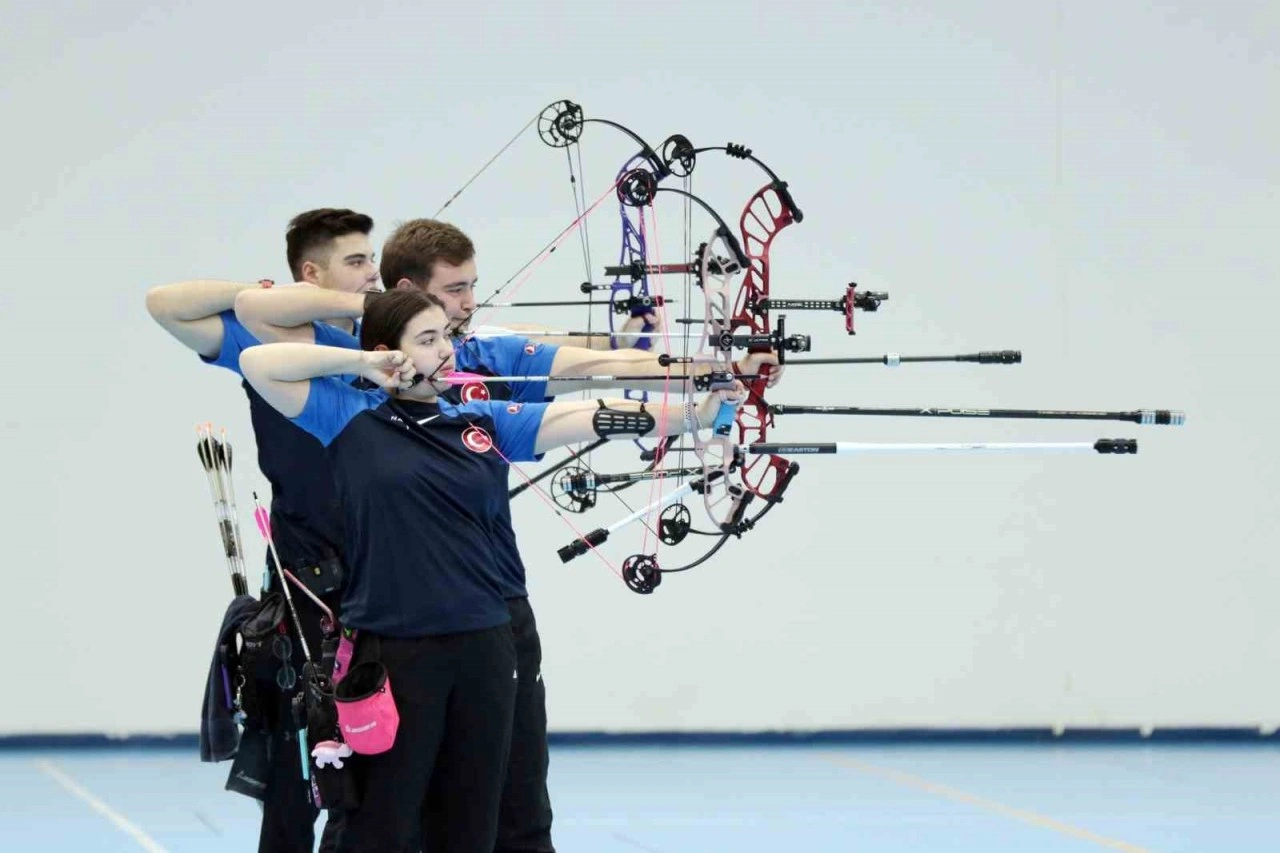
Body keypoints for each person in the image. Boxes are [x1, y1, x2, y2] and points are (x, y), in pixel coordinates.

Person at [233, 217, 785, 853]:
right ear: (391, 352)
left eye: (446, 337)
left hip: (485, 647)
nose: (446, 351)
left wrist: (702, 405)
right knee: (380, 825)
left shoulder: (483, 419)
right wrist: (364, 361)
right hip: (394, 650)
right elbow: (257, 361)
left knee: (472, 825)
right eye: (427, 339)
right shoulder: (349, 418)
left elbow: (588, 413)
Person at [144, 208, 381, 853]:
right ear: (312, 273)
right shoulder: (269, 339)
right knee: (293, 770)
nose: (372, 273)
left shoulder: (388, 345)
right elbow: (164, 304)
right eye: (356, 262)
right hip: (306, 583)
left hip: (384, 578)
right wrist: (265, 298)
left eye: (372, 260)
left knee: (379, 768)